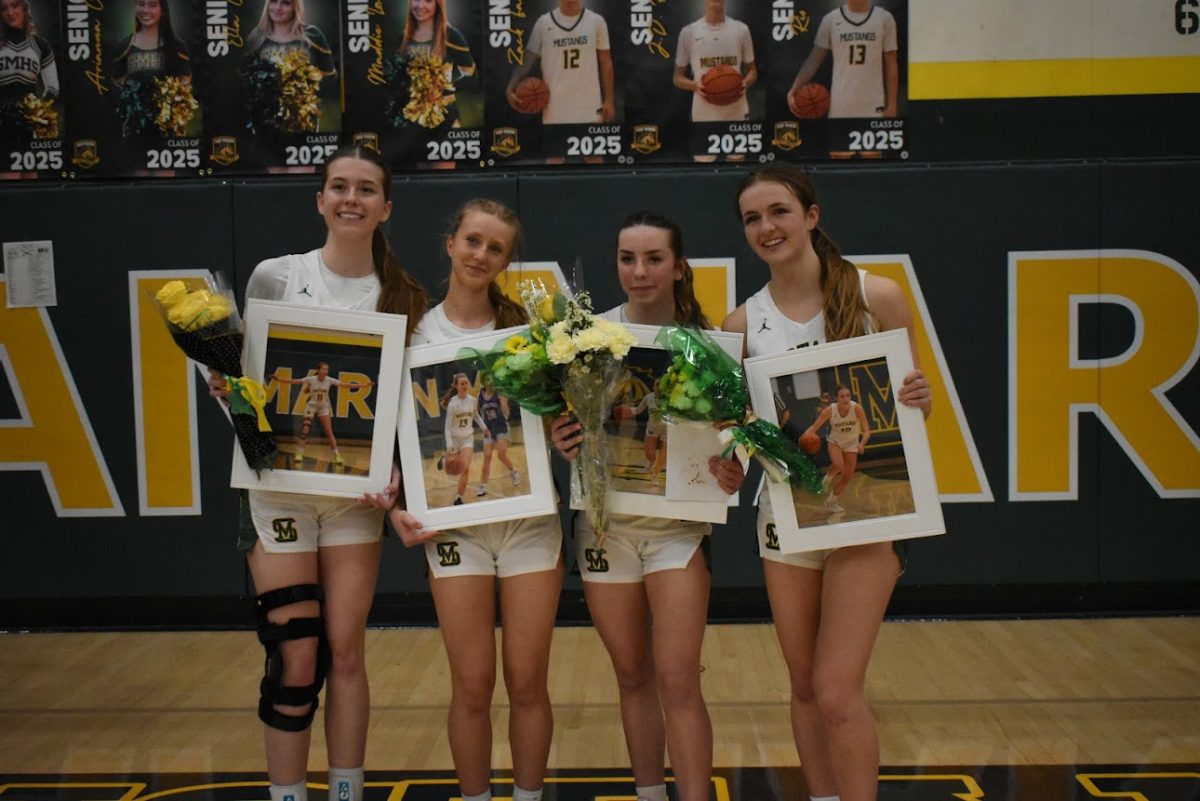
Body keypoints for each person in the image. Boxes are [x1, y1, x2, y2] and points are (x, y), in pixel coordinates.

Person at [208, 145, 428, 801]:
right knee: (294, 652)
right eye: (338, 186)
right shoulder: (277, 276)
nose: (350, 198)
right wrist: (228, 388)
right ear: (320, 200)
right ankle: (286, 793)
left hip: (354, 499)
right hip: (278, 490)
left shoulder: (405, 297)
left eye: (365, 189)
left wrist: (394, 476)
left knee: (347, 649)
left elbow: (402, 415)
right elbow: (248, 382)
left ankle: (345, 790)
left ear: (386, 207)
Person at [725, 165, 930, 801]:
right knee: (806, 686)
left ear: (811, 216)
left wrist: (919, 397)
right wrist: (733, 452)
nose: (767, 227)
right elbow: (741, 433)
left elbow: (916, 406)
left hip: (868, 515)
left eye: (779, 211)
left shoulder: (879, 295)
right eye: (753, 218)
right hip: (786, 518)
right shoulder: (741, 324)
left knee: (839, 691)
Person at [549, 211, 745, 801]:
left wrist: (734, 467)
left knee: (679, 679)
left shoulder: (711, 348)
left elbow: (735, 440)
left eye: (654, 258)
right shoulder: (583, 340)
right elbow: (564, 431)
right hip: (604, 533)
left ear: (679, 267)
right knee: (632, 677)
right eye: (627, 258)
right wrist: (563, 442)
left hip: (678, 533)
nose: (639, 271)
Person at [384, 198, 564, 801]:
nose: (481, 255)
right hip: (453, 529)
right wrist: (394, 506)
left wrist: (568, 432)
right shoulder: (412, 336)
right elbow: (387, 442)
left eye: (495, 248)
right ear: (450, 243)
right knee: (471, 683)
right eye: (472, 241)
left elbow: (561, 424)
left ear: (506, 260)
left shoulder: (533, 338)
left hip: (530, 524)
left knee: (527, 681)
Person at [506, 0, 614, 126]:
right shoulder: (543, 23)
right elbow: (527, 61)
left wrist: (609, 100)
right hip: (555, 110)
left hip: (590, 109)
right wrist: (510, 88)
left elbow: (606, 62)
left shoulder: (597, 21)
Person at [673, 0, 756, 162]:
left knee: (737, 165)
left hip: (736, 108)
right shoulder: (689, 32)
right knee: (703, 168)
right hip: (704, 109)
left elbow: (753, 72)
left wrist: (744, 82)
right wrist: (695, 85)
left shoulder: (741, 29)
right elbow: (677, 78)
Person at [787, 0, 898, 119]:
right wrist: (794, 89)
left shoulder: (885, 18)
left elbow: (891, 64)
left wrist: (892, 104)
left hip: (874, 105)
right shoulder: (830, 19)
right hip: (840, 106)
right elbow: (814, 60)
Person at [275, 362, 374, 468]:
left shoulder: (329, 380)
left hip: (323, 407)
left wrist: (364, 385)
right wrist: (279, 379)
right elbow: (294, 381)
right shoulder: (311, 379)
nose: (325, 371)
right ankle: (299, 454)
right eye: (323, 369)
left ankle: (337, 456)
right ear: (318, 370)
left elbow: (346, 385)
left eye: (327, 369)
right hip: (311, 407)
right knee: (305, 429)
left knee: (329, 432)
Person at [800, 385, 871, 514]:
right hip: (835, 442)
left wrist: (862, 444)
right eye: (842, 396)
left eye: (848, 395)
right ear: (836, 398)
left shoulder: (857, 408)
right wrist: (805, 436)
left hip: (851, 444)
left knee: (847, 477)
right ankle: (827, 478)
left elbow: (867, 430)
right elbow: (815, 427)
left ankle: (831, 501)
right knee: (838, 465)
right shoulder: (829, 411)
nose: (846, 398)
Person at [112, 0, 191, 85]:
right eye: (141, 4)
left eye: (152, 5)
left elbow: (185, 87)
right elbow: (117, 86)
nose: (145, 10)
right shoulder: (123, 46)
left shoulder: (177, 47)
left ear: (162, 10)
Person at [438, 372, 487, 505]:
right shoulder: (453, 404)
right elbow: (447, 427)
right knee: (451, 469)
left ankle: (458, 497)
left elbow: (476, 416)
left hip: (467, 439)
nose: (465, 385)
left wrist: (484, 428)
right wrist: (449, 445)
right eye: (462, 383)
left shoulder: (472, 400)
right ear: (456, 386)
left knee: (465, 467)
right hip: (454, 439)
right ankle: (444, 460)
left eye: (466, 383)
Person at [0, 0, 59, 109]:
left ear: (25, 8)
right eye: (4, 9)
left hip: (29, 121)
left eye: (15, 6)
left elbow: (53, 87)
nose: (10, 13)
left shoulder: (41, 45)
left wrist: (40, 111)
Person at [477, 380, 520, 497]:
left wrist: (503, 401)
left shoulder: (499, 393)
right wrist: (483, 428)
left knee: (501, 454)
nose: (490, 383)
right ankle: (483, 485)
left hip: (501, 425)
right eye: (487, 380)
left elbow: (507, 413)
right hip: (488, 427)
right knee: (487, 457)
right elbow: (479, 414)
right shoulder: (480, 396)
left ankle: (514, 472)